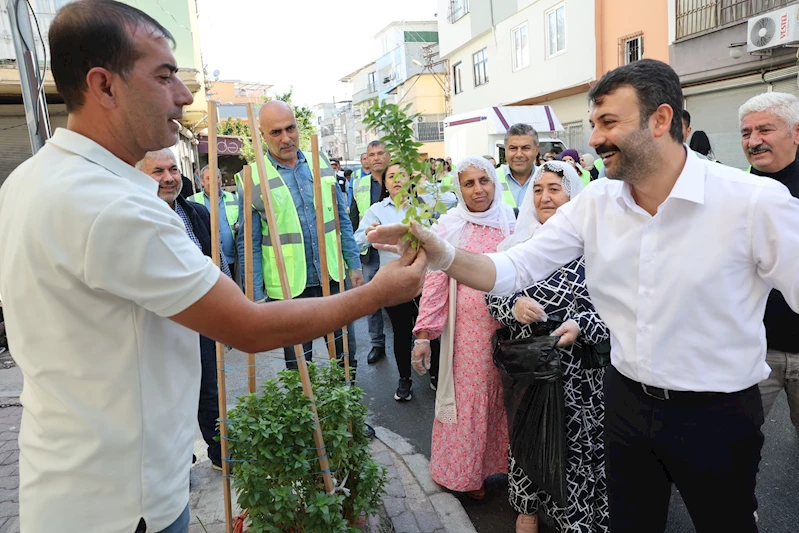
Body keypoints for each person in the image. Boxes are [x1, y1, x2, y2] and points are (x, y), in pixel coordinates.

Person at [0, 3, 426, 531]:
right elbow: (248, 326)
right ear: (104, 85)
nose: (183, 94)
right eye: (164, 75)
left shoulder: (30, 180)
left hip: (69, 485)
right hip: (127, 502)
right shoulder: (117, 208)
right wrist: (378, 293)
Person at [368, 59, 799, 533]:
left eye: (608, 122)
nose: (594, 139)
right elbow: (514, 268)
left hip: (716, 414)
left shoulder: (755, 202)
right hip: (626, 402)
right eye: (594, 124)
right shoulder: (597, 202)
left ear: (660, 120)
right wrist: (442, 252)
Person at [486, 162, 609, 533]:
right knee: (528, 436)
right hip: (530, 368)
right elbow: (491, 296)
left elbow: (617, 310)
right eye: (538, 189)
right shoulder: (516, 246)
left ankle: (577, 518)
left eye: (555, 189)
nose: (545, 197)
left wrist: (582, 325)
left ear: (573, 196)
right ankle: (527, 507)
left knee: (575, 445)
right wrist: (512, 306)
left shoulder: (595, 248)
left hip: (579, 373)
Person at [410, 156, 516, 499]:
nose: (478, 189)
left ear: (494, 184)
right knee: (470, 402)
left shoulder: (510, 221)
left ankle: (499, 467)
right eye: (468, 183)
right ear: (459, 189)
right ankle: (468, 476)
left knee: (506, 400)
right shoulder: (451, 225)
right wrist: (424, 335)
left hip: (510, 330)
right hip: (468, 336)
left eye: (484, 181)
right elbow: (437, 281)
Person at [237, 101, 362, 370]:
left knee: (345, 356)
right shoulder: (252, 177)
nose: (286, 138)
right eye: (276, 132)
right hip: (288, 287)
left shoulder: (321, 163)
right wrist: (256, 294)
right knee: (298, 365)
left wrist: (354, 263)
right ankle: (307, 410)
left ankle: (346, 410)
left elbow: (340, 218)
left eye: (290, 128)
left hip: (332, 275)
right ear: (262, 135)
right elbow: (250, 243)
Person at [137, 149, 232, 472]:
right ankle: (178, 461)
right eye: (157, 172)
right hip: (159, 324)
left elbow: (217, 264)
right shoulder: (136, 218)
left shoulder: (196, 213)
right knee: (167, 396)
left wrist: (228, 314)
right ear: (141, 176)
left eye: (173, 170)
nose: (168, 178)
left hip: (201, 318)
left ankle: (220, 453)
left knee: (209, 388)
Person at [740, 92, 799, 434]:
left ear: (796, 133)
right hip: (754, 351)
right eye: (747, 133)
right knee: (734, 444)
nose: (754, 141)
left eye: (765, 130)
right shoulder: (736, 192)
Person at [355, 162, 440, 398]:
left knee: (430, 330)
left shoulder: (423, 204)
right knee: (401, 333)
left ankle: (435, 374)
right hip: (395, 282)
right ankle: (405, 379)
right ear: (385, 183)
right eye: (391, 176)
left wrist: (425, 184)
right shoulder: (377, 210)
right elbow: (358, 240)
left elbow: (451, 201)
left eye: (402, 175)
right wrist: (369, 231)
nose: (397, 180)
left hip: (428, 278)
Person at [350, 141, 390, 364]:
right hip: (370, 253)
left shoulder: (400, 179)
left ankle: (412, 340)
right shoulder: (359, 184)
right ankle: (377, 343)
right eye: (371, 154)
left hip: (396, 253)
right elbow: (354, 217)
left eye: (380, 153)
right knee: (372, 300)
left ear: (388, 156)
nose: (376, 158)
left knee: (402, 299)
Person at [190, 165, 239, 282]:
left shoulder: (233, 198)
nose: (214, 181)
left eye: (217, 177)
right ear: (201, 181)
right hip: (206, 262)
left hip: (232, 258)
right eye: (208, 178)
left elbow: (240, 221)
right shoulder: (191, 201)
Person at [501, 123, 539, 207]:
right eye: (513, 148)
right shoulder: (491, 178)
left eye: (526, 148)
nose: (519, 155)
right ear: (505, 150)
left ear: (536, 150)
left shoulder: (547, 177)